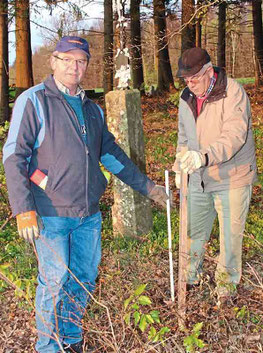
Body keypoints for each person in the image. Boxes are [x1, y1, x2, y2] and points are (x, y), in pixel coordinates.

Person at [3, 36, 169, 353]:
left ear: (86, 67)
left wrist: (150, 189)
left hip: (88, 215)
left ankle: (71, 338)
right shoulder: (34, 101)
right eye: (67, 59)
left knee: (83, 278)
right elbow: (14, 156)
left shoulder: (93, 110)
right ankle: (49, 347)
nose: (74, 66)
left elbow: (111, 156)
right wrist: (23, 209)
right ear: (53, 61)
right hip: (50, 213)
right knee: (53, 281)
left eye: (80, 61)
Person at [172, 47, 257, 302]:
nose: (190, 84)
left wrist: (204, 155)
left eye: (194, 78)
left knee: (230, 239)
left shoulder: (233, 92)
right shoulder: (186, 98)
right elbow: (184, 137)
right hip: (199, 177)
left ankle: (225, 290)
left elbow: (234, 136)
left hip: (232, 177)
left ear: (209, 71)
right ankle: (190, 279)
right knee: (193, 231)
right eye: (186, 79)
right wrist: (180, 165)